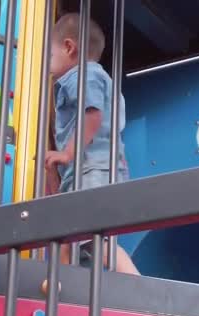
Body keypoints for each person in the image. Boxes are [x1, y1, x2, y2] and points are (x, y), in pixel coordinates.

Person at [44, 13, 139, 275]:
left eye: (49, 56)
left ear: (68, 47)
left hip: (94, 171)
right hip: (95, 171)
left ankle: (136, 283)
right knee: (77, 244)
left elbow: (92, 114)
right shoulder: (90, 78)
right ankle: (70, 290)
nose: (47, 63)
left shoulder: (83, 75)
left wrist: (67, 153)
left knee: (90, 241)